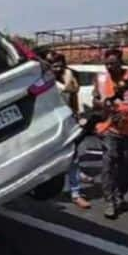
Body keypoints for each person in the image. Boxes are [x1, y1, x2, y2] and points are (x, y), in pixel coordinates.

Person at [92, 48, 128, 219]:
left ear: (121, 62)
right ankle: (109, 200)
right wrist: (105, 106)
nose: (110, 67)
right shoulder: (100, 78)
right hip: (110, 127)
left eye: (114, 63)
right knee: (109, 163)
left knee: (126, 164)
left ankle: (120, 195)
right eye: (107, 64)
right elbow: (95, 99)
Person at [50, 53, 90, 209]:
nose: (58, 68)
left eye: (60, 65)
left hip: (67, 122)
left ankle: (76, 193)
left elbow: (74, 97)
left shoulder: (69, 77)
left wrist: (76, 114)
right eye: (54, 66)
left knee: (73, 158)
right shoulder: (47, 82)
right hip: (52, 125)